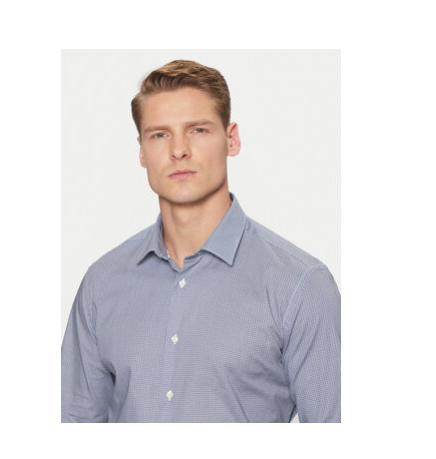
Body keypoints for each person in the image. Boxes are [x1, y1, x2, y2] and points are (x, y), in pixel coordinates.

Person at [61, 59, 341, 423]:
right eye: (159, 135)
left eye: (197, 130)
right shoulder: (101, 284)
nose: (179, 150)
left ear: (231, 139)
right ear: (142, 151)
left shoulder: (299, 286)